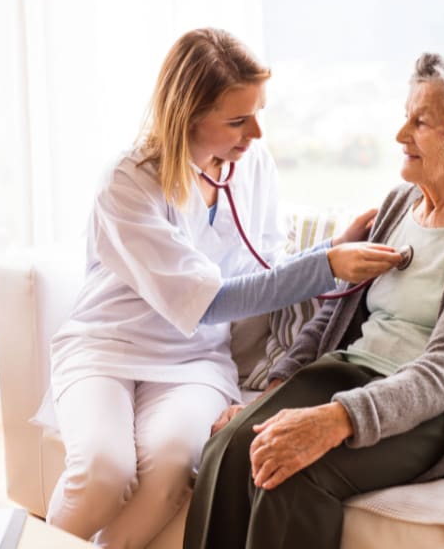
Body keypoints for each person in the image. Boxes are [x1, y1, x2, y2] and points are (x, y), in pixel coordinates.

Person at [46, 27, 403, 548]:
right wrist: (327, 264)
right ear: (186, 117)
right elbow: (213, 300)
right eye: (237, 120)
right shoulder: (128, 182)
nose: (255, 133)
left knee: (172, 468)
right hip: (107, 348)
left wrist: (333, 249)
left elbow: (265, 263)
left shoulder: (251, 165)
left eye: (258, 113)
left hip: (192, 359)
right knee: (104, 471)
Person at [184, 52, 444, 549]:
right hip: (355, 372)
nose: (401, 135)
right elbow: (338, 309)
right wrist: (277, 386)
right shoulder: (402, 202)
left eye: (421, 122)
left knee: (290, 473)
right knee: (229, 446)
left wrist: (334, 420)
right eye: (406, 115)